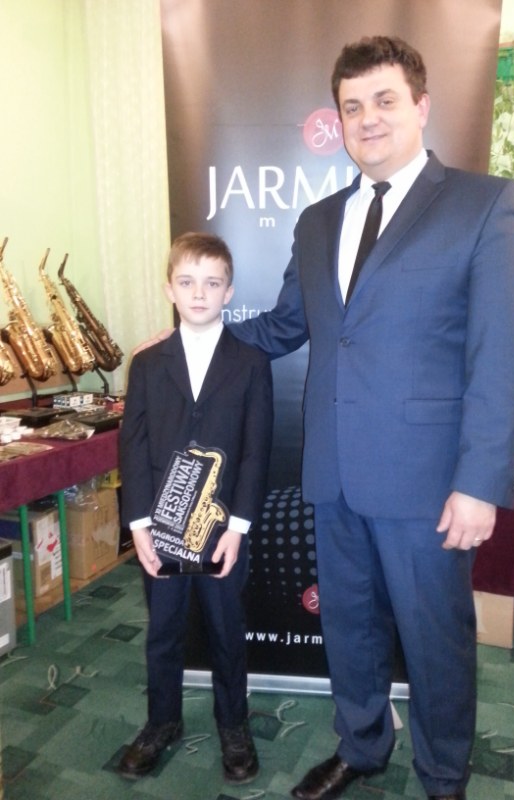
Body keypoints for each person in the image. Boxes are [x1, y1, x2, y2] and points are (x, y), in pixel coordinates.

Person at [138, 35, 514, 800]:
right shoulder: (319, 221)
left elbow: (503, 353)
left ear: (422, 106)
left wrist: (481, 483)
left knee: (435, 640)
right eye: (352, 107)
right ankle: (362, 746)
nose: (368, 119)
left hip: (428, 483)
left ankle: (444, 776)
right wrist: (194, 336)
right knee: (348, 626)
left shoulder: (483, 205)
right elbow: (286, 324)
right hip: (332, 472)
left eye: (385, 101)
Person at [118, 232, 273, 785]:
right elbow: (133, 445)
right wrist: (139, 525)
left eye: (212, 283)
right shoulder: (146, 363)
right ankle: (162, 720)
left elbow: (256, 450)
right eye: (187, 282)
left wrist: (238, 528)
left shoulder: (251, 363)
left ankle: (233, 724)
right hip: (160, 527)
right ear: (170, 290)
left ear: (229, 291)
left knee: (227, 630)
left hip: (221, 528)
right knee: (163, 630)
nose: (199, 293)